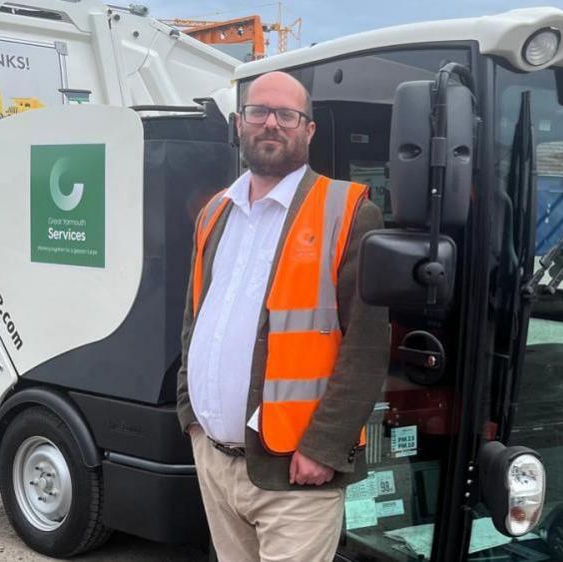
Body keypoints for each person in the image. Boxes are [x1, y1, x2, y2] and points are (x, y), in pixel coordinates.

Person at [176, 71, 389, 561]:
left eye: (287, 115)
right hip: (214, 459)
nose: (271, 124)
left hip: (295, 471)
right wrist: (190, 414)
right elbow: (195, 319)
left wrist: (324, 446)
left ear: (308, 130)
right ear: (239, 123)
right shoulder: (215, 214)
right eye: (258, 112)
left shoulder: (347, 211)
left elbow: (367, 345)